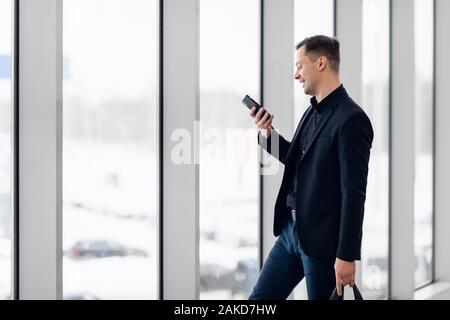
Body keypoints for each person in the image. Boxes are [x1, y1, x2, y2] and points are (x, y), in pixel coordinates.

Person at [248, 35, 374, 300]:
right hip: (290, 234)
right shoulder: (311, 111)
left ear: (321, 63)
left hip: (323, 244)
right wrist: (267, 133)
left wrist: (346, 255)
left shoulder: (352, 120)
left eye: (299, 66)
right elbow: (299, 162)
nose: (296, 75)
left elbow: (354, 192)